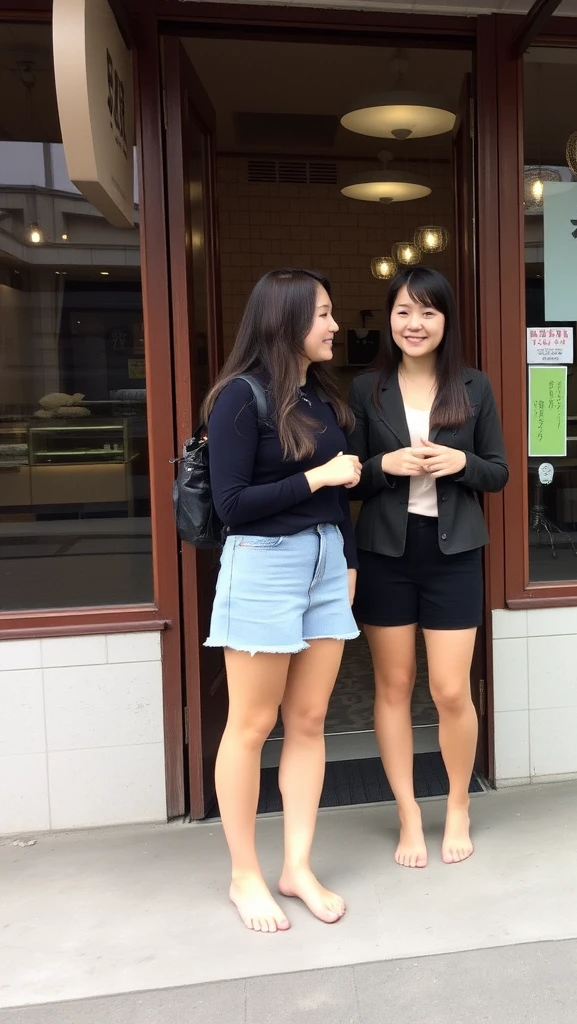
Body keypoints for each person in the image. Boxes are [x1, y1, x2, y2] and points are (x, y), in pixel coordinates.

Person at [202, 268, 362, 933]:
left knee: (309, 718)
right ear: (286, 320)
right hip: (264, 566)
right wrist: (318, 474)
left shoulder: (320, 396)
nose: (333, 325)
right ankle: (245, 876)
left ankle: (296, 864)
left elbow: (337, 496)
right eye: (322, 314)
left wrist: (347, 563)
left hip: (327, 564)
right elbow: (232, 505)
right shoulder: (239, 399)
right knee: (251, 724)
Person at [348, 266, 508, 868]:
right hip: (386, 552)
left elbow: (499, 471)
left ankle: (459, 803)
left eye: (428, 312)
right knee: (393, 686)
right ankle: (408, 813)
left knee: (449, 690)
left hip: (453, 553)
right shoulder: (366, 389)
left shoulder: (474, 385)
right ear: (390, 319)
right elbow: (351, 473)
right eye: (404, 312)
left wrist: (457, 462)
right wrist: (384, 464)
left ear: (446, 321)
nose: (415, 324)